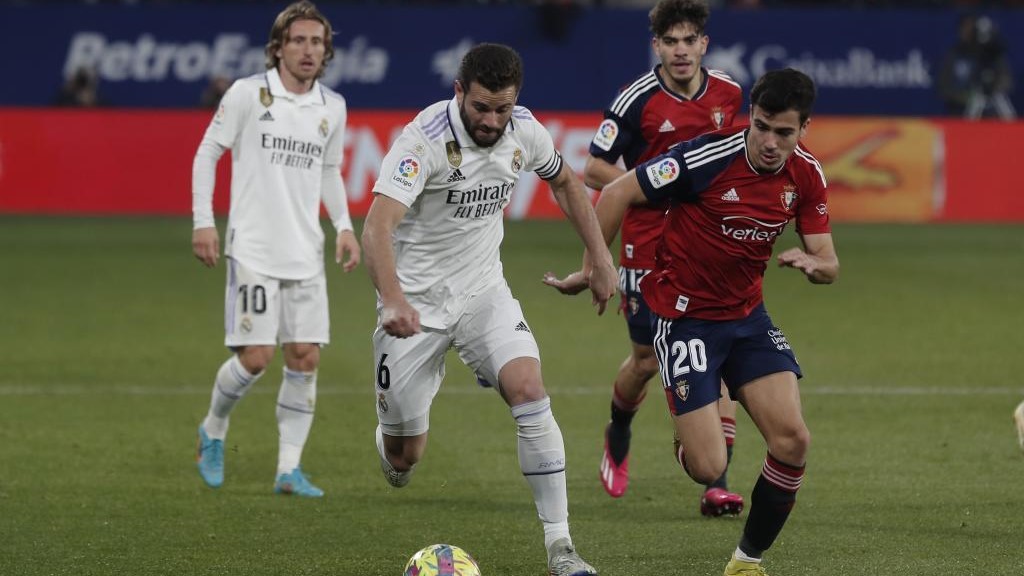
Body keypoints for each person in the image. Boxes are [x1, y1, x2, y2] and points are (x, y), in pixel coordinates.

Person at [564, 68, 837, 576]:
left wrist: (815, 264)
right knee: (708, 467)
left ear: (804, 130)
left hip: (748, 319)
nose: (771, 142)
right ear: (750, 118)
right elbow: (618, 190)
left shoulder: (807, 174)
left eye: (785, 132)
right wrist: (594, 267)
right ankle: (684, 420)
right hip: (685, 320)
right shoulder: (705, 158)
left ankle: (746, 562)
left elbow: (828, 259)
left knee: (794, 441)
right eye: (762, 126)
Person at [362, 43, 616, 576]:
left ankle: (562, 549)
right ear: (459, 92)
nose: (492, 120)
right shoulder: (422, 142)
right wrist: (392, 299)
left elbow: (567, 184)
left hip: (483, 292)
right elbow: (377, 227)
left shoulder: (525, 130)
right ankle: (392, 440)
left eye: (502, 108)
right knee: (405, 457)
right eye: (481, 108)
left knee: (529, 388)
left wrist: (599, 259)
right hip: (415, 309)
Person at [543, 0, 745, 516]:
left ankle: (714, 481)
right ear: (657, 45)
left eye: (689, 40)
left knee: (712, 349)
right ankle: (620, 427)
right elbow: (593, 170)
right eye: (670, 41)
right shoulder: (637, 99)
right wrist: (658, 186)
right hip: (645, 245)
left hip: (704, 244)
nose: (680, 50)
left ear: (704, 43)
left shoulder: (728, 94)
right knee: (647, 360)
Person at [191, 1, 360, 498]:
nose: (309, 50)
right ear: (279, 47)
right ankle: (213, 430)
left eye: (317, 42)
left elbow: (329, 171)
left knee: (305, 356)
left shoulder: (333, 107)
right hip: (255, 250)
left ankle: (289, 469)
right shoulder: (248, 94)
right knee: (256, 357)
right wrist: (205, 221)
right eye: (299, 41)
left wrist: (345, 227)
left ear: (326, 51)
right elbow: (208, 153)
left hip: (305, 252)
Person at [938, 14, 1016, 120]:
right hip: (960, 110)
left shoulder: (993, 55)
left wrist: (996, 88)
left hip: (992, 111)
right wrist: (966, 97)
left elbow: (1007, 80)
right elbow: (944, 87)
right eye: (966, 29)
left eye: (972, 29)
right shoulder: (955, 54)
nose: (968, 33)